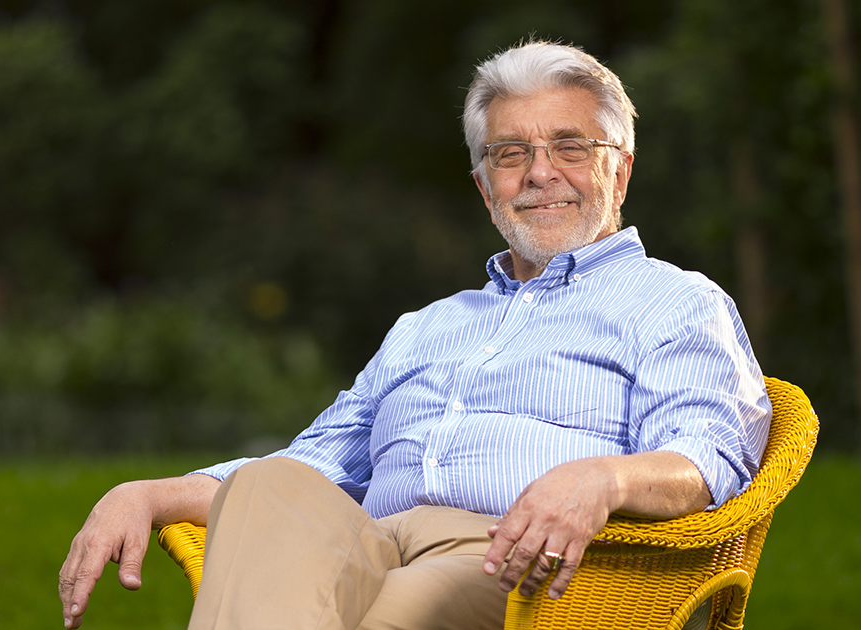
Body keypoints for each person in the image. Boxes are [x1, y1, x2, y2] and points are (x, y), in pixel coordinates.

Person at [58, 40, 771, 630]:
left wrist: (602, 477)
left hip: (516, 564)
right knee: (273, 483)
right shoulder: (426, 326)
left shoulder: (675, 301)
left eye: (570, 146)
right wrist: (149, 495)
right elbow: (314, 465)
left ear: (620, 168)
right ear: (484, 185)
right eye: (511, 154)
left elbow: (707, 457)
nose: (540, 173)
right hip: (363, 543)